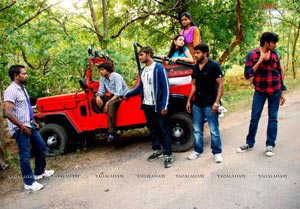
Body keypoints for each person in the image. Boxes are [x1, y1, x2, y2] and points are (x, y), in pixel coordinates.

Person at [4, 65, 54, 191]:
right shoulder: (11, 90)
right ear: (16, 76)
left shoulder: (22, 89)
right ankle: (29, 182)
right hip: (20, 128)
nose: (26, 75)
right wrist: (21, 126)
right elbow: (8, 113)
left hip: (29, 124)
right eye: (24, 73)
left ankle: (39, 172)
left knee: (41, 147)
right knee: (25, 156)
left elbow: (25, 108)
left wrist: (33, 120)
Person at [237, 32, 286, 157]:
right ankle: (249, 143)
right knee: (255, 117)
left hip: (275, 90)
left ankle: (270, 145)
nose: (275, 45)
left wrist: (282, 92)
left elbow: (279, 73)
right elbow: (247, 74)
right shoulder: (252, 54)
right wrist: (259, 61)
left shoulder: (275, 55)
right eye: (273, 43)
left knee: (273, 118)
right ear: (266, 42)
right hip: (260, 91)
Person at [124, 46, 173, 168]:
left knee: (163, 129)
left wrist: (165, 105)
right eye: (139, 55)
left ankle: (168, 155)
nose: (140, 57)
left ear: (149, 54)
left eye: (141, 55)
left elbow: (166, 87)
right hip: (147, 105)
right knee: (153, 129)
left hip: (159, 105)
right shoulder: (142, 71)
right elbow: (140, 87)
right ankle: (157, 151)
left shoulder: (158, 68)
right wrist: (127, 94)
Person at [186, 43, 224, 163]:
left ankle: (217, 152)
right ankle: (198, 151)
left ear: (205, 53)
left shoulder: (214, 66)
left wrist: (217, 103)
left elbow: (221, 85)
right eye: (195, 53)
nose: (195, 55)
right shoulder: (195, 67)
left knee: (214, 130)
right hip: (197, 103)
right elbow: (194, 85)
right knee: (197, 129)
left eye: (198, 53)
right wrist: (189, 100)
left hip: (210, 103)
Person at [95, 62, 128, 142]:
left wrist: (107, 103)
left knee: (111, 104)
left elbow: (119, 92)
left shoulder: (116, 76)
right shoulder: (102, 78)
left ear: (108, 70)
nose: (101, 72)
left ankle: (112, 132)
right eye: (100, 70)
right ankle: (103, 124)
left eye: (102, 70)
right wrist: (98, 96)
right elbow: (101, 91)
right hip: (112, 95)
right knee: (94, 100)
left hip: (122, 96)